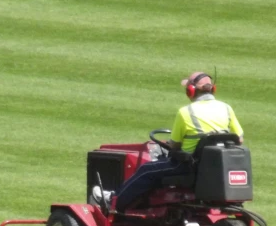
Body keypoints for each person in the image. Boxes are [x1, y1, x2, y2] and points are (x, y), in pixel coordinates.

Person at [94, 71, 244, 211]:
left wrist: (171, 145)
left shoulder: (186, 112)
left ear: (190, 91)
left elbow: (175, 145)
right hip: (215, 166)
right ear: (213, 89)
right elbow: (239, 139)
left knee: (145, 170)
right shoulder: (226, 108)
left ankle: (113, 201)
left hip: (188, 166)